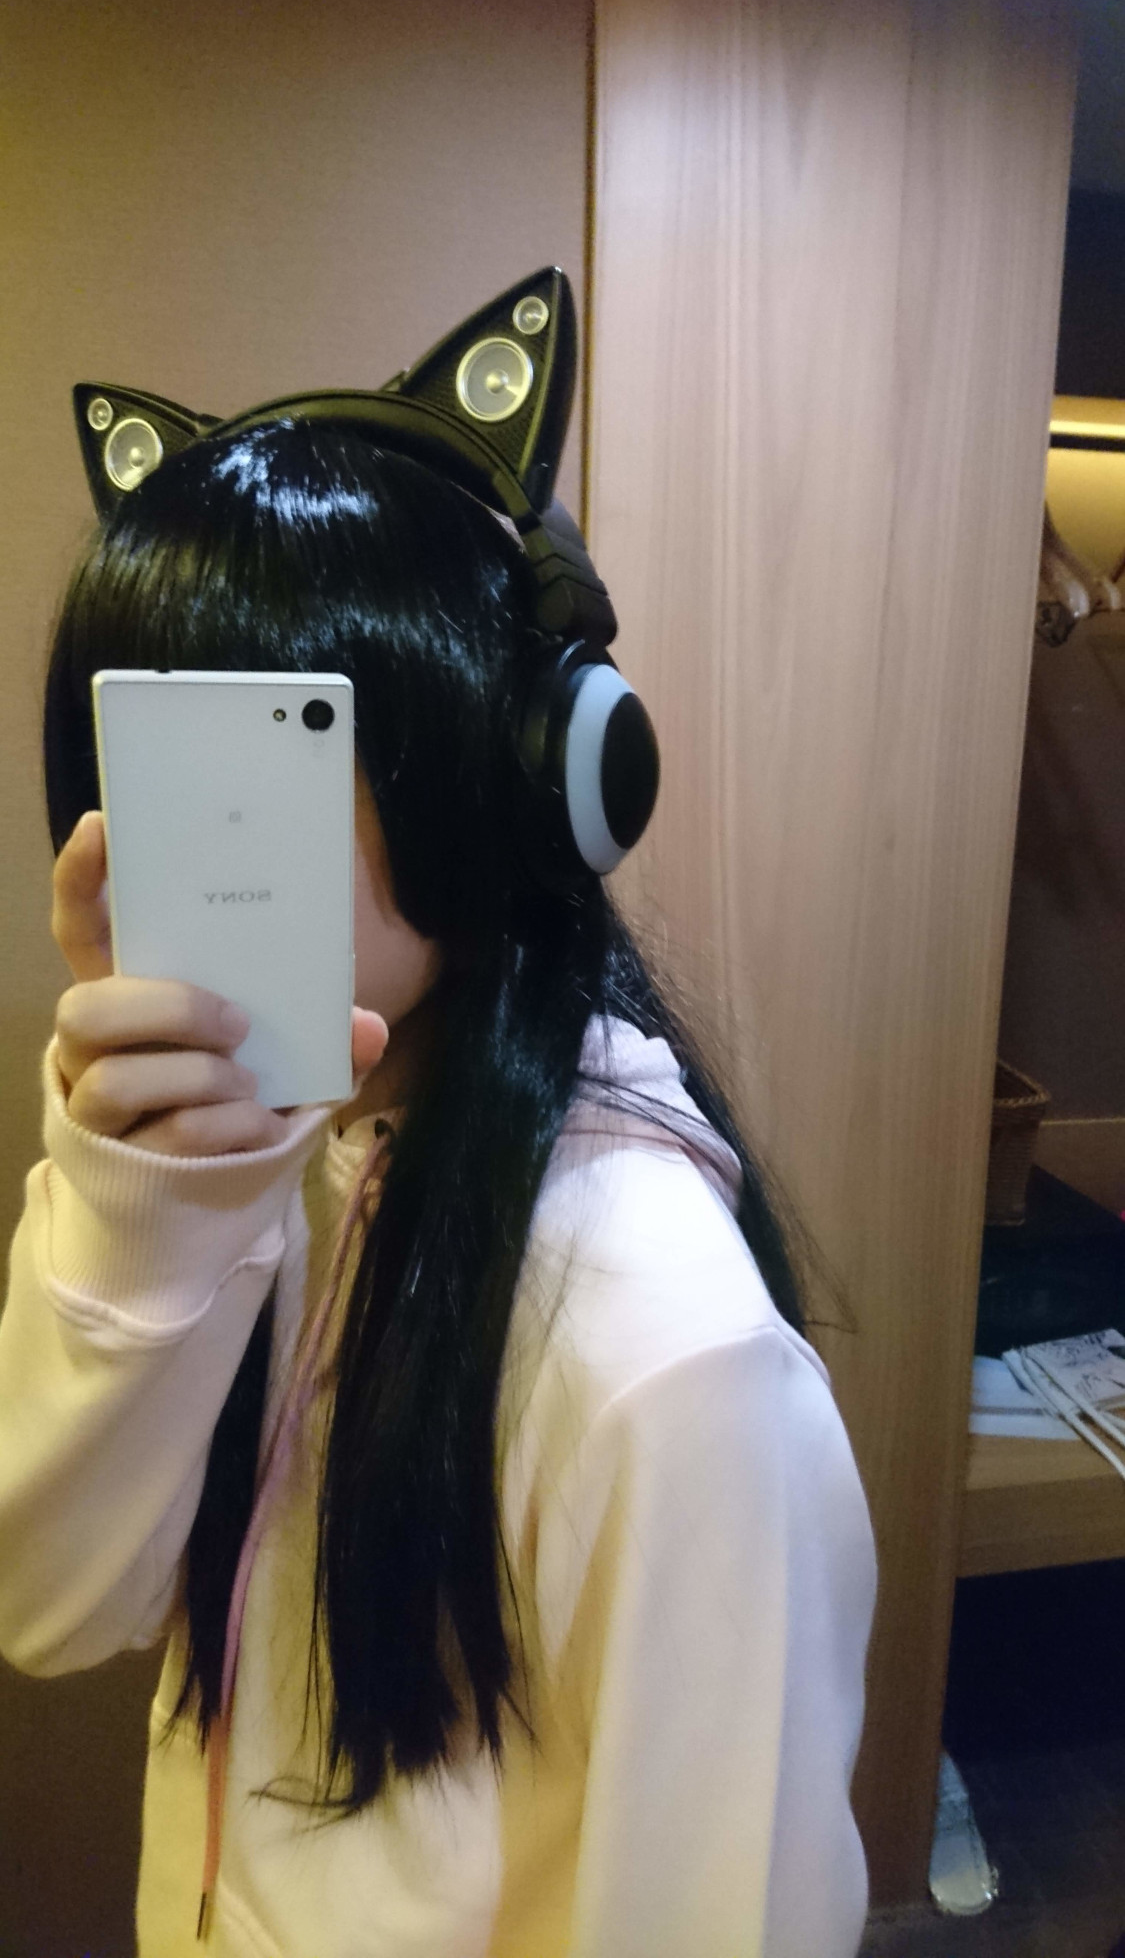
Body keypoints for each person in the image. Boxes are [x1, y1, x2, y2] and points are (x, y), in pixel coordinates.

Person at [0, 410, 876, 1956]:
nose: (187, 849)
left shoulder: (671, 1360)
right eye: (149, 760)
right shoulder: (235, 1164)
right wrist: (149, 1216)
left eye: (265, 757)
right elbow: (52, 1607)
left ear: (500, 785)